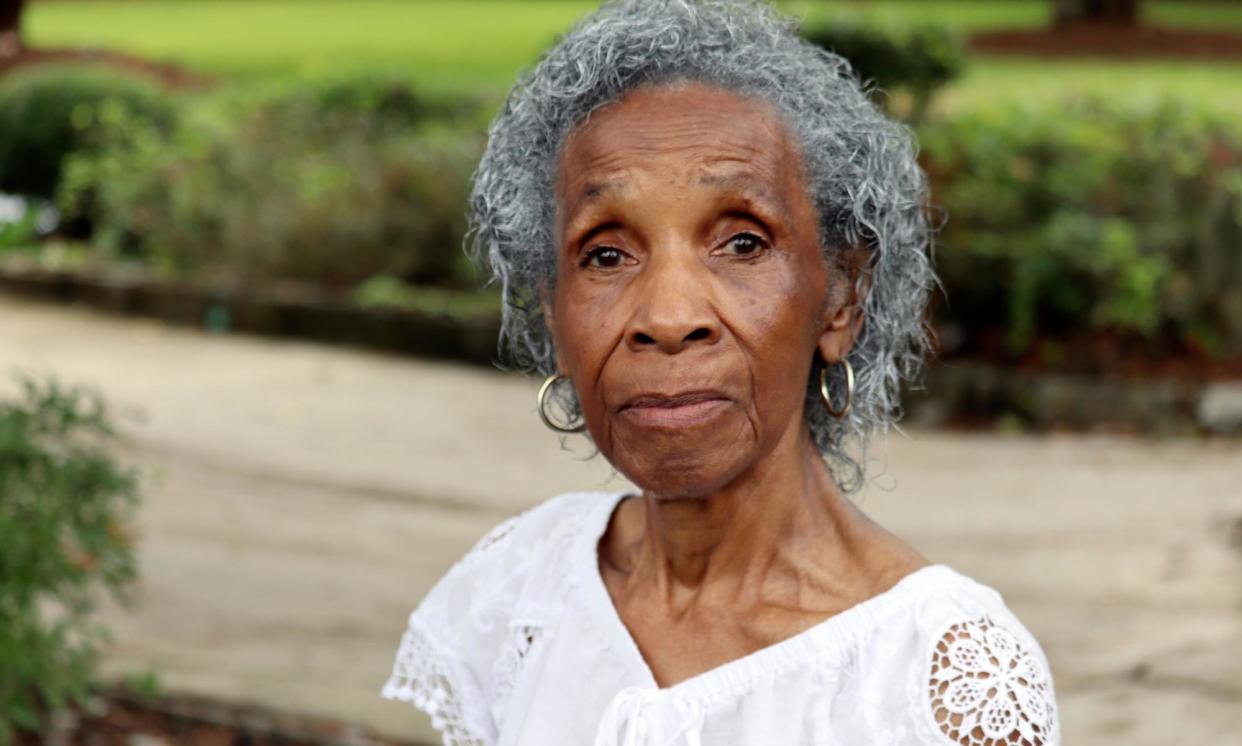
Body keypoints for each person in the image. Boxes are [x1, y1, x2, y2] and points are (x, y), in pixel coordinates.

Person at [381, 1, 1060, 744]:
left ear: (841, 297)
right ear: (553, 312)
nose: (668, 317)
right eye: (606, 254)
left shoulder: (938, 682)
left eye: (742, 242)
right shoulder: (523, 592)